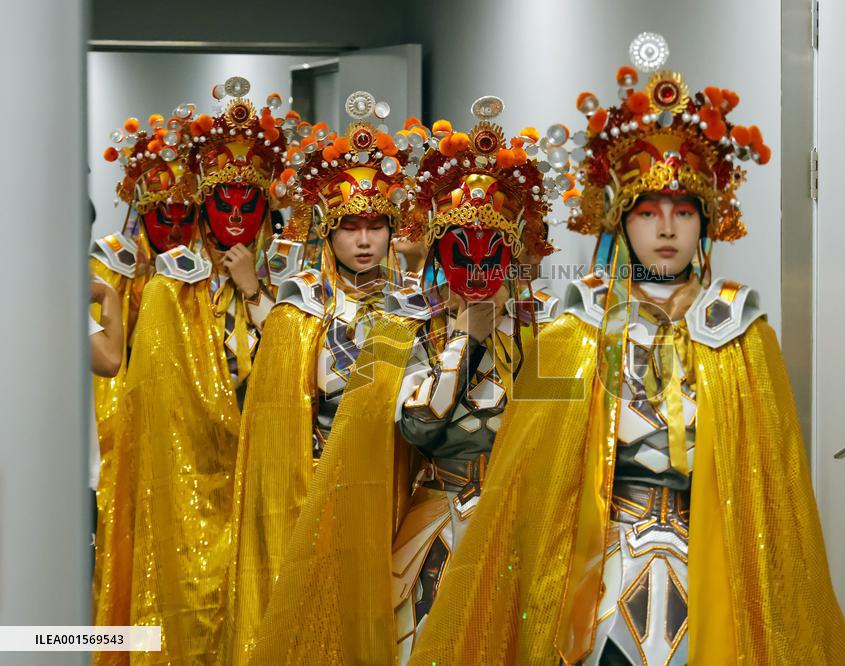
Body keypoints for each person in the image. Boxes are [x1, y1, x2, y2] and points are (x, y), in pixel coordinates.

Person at [408, 35, 845, 665]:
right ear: (620, 220)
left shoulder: (741, 332)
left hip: (713, 566)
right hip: (600, 572)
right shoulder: (576, 327)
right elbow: (531, 481)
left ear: (708, 220)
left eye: (683, 210)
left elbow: (773, 496)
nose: (668, 228)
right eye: (648, 211)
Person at [247, 100, 559, 665]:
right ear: (438, 251)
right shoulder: (401, 318)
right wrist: (467, 338)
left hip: (521, 526)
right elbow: (417, 426)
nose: (478, 266)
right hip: (432, 521)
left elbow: (561, 436)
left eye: (493, 249)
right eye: (460, 249)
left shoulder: (551, 324)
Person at [222, 95, 411, 664]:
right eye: (349, 226)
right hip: (311, 492)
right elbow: (277, 428)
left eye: (375, 225)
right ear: (326, 232)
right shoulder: (298, 309)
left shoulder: (418, 308)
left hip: (393, 496)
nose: (363, 240)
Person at [123, 77, 290, 664]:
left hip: (273, 474)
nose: (237, 217)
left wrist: (253, 291)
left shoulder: (292, 288)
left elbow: (296, 375)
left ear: (269, 210)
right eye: (224, 203)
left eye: (251, 205)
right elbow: (160, 403)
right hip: (193, 479)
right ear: (203, 208)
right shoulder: (173, 289)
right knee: (190, 605)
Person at [90, 111, 200, 659]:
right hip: (120, 422)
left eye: (186, 215)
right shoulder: (114, 263)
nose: (175, 228)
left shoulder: (207, 269)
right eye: (163, 215)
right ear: (140, 211)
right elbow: (109, 363)